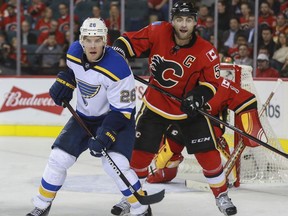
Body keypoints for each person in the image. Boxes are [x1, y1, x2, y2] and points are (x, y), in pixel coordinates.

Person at [112, 1, 237, 215]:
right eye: (179, 19)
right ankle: (130, 197)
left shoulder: (206, 52)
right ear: (172, 20)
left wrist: (197, 96)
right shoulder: (157, 31)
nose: (184, 24)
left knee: (209, 156)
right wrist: (117, 54)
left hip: (188, 111)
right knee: (139, 156)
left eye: (189, 19)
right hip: (155, 105)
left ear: (196, 22)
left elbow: (211, 84)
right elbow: (127, 42)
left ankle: (222, 195)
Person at [26, 17, 153, 216]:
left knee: (115, 166)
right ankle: (42, 204)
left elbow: (123, 111)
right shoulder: (74, 53)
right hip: (83, 117)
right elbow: (74, 71)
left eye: (97, 39)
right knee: (58, 158)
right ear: (81, 40)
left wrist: (105, 135)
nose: (92, 45)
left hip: (116, 119)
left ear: (105, 41)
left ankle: (141, 209)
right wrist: (65, 81)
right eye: (88, 39)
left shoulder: (119, 69)